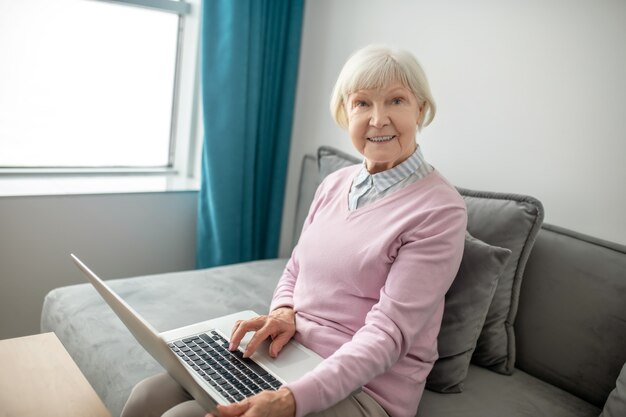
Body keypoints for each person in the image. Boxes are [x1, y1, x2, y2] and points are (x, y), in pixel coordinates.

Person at [120, 44, 467, 417]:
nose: (378, 119)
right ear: (344, 113)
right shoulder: (334, 183)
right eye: (362, 103)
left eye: (396, 101)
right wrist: (284, 311)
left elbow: (388, 335)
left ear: (421, 109)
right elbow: (296, 266)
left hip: (365, 389)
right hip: (288, 355)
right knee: (146, 398)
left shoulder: (440, 210)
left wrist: (291, 399)